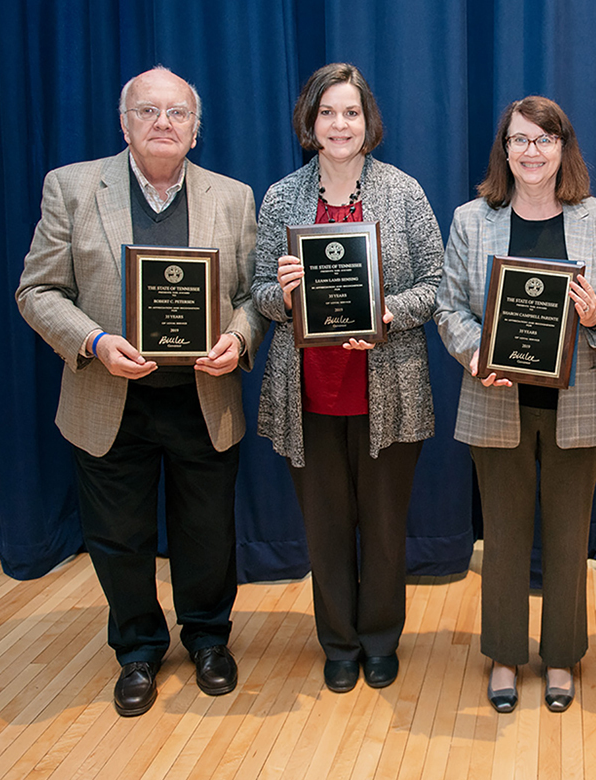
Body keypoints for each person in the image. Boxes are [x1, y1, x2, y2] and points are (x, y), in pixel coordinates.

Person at [16, 67, 266, 716]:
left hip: (201, 398)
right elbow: (38, 292)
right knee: (118, 536)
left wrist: (238, 340)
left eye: (178, 113)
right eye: (148, 111)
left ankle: (209, 640)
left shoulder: (234, 197)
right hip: (107, 397)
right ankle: (137, 650)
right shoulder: (71, 188)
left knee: (207, 534)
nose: (163, 122)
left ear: (195, 130)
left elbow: (250, 297)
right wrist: (96, 344)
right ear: (123, 123)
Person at [435, 96, 596, 714]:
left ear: (563, 149)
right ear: (504, 149)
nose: (532, 151)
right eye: (520, 140)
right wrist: (476, 355)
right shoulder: (472, 219)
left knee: (568, 537)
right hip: (495, 400)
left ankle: (560, 656)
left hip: (579, 406)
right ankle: (503, 652)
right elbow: (450, 309)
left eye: (544, 140)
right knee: (501, 536)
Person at [252, 63, 442, 694]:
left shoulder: (403, 192)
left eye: (351, 113)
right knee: (326, 528)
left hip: (388, 388)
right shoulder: (281, 196)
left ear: (369, 122)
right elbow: (258, 294)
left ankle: (381, 637)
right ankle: (337, 641)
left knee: (385, 527)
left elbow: (437, 286)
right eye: (327, 113)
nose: (340, 124)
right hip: (307, 391)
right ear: (310, 122)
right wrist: (282, 295)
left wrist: (389, 311)